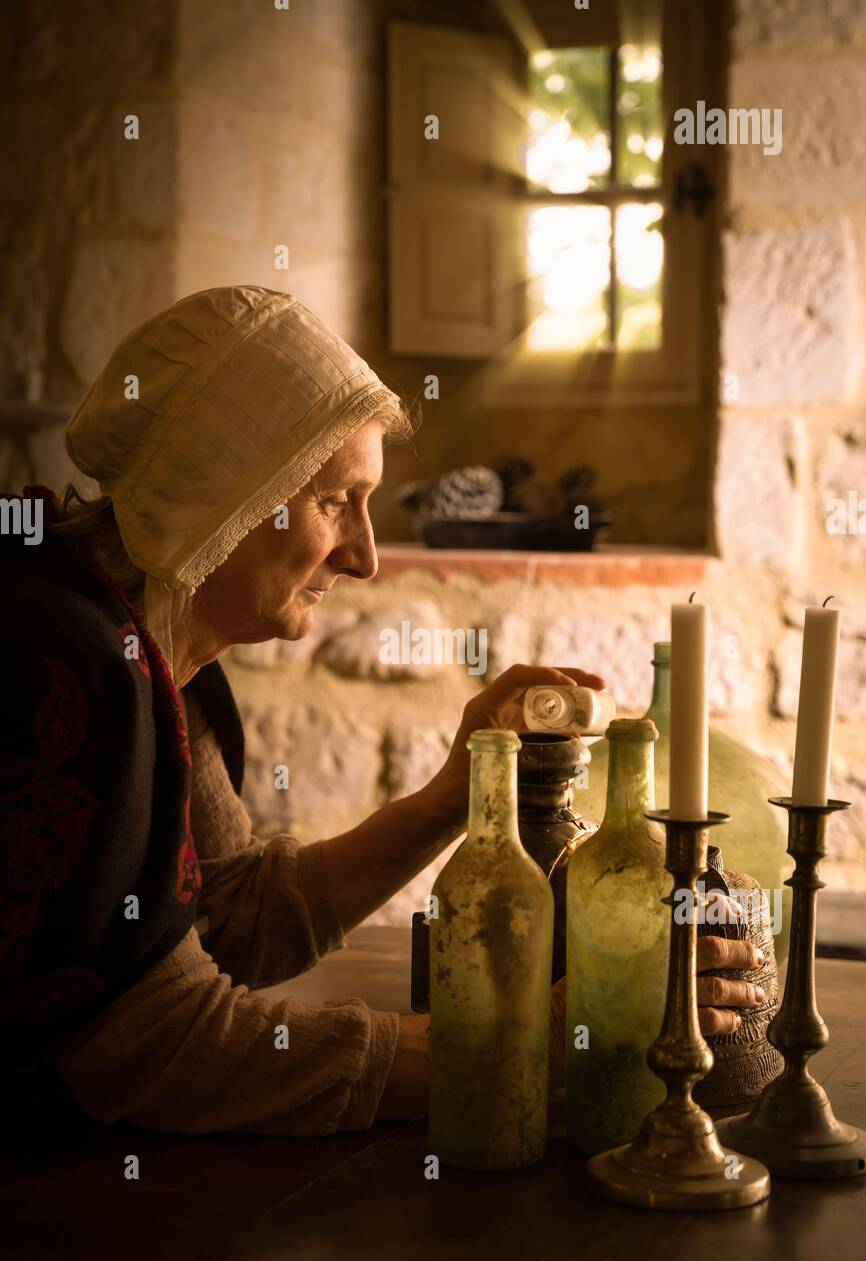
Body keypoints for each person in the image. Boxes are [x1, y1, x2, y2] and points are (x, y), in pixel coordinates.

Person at [0, 285, 763, 1137]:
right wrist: (541, 1038)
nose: (364, 556)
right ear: (221, 494)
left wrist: (461, 790)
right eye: (335, 501)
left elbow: (235, 915)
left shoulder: (150, 644)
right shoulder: (64, 664)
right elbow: (167, 1048)